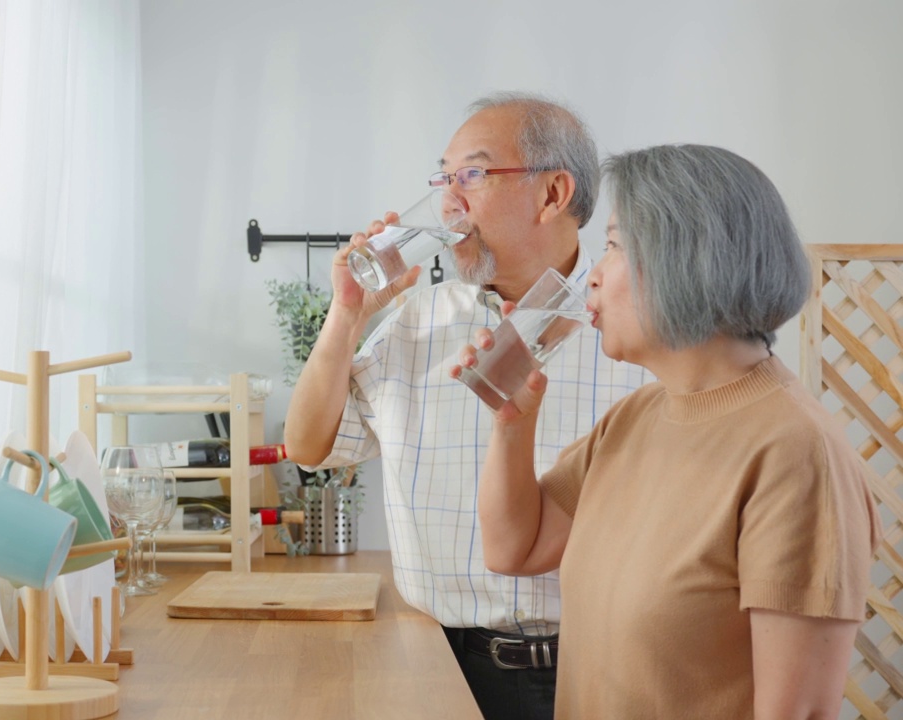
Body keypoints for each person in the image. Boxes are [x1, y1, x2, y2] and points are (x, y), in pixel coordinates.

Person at [462, 144, 880, 718]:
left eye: (611, 245)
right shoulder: (636, 418)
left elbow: (797, 712)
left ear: (686, 257)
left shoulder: (796, 454)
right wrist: (512, 422)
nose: (594, 275)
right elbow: (514, 548)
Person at [283, 92, 647, 719]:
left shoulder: (632, 329)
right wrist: (346, 314)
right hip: (431, 664)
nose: (449, 199)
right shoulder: (418, 320)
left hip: (599, 670)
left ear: (553, 194)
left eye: (472, 174)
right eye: (443, 177)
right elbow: (310, 448)